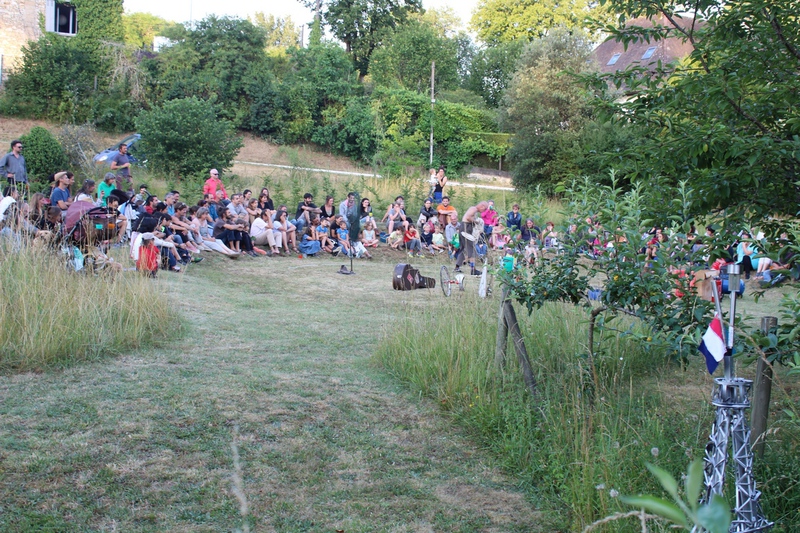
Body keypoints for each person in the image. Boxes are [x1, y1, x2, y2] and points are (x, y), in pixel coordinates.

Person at [456, 201, 489, 274]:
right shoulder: (473, 209)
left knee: (464, 249)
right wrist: (475, 222)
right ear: (482, 206)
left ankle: (457, 266)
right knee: (471, 249)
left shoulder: (474, 210)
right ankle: (473, 269)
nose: (484, 211)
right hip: (465, 228)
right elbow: (468, 217)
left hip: (465, 228)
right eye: (485, 209)